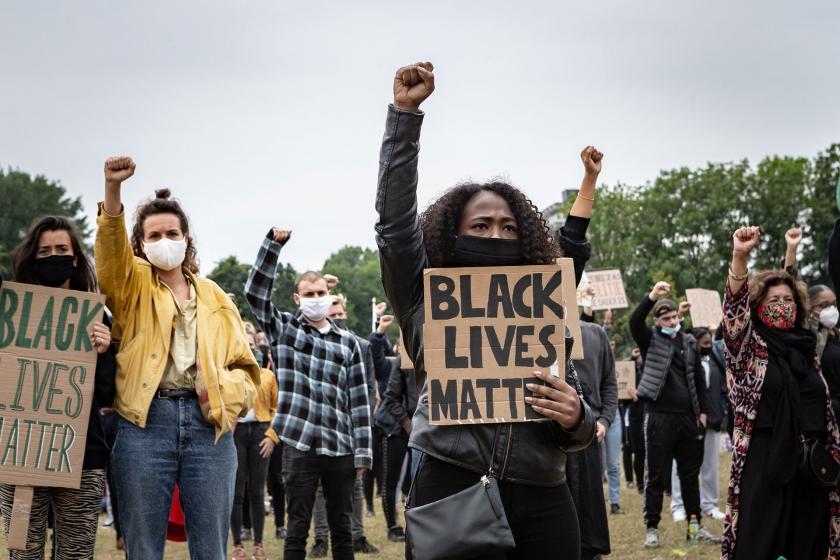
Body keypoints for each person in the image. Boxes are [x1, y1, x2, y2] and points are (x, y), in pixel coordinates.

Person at [375, 61, 598, 560]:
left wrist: (576, 417)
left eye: (508, 227)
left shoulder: (544, 301)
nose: (495, 235)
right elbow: (393, 227)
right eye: (480, 226)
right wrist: (405, 118)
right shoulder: (421, 297)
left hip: (543, 489)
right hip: (452, 486)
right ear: (452, 234)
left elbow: (578, 412)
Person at [95, 157, 260, 559]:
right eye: (153, 235)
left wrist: (227, 398)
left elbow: (246, 367)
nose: (164, 240)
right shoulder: (132, 287)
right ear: (140, 244)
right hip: (144, 423)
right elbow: (111, 260)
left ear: (187, 239)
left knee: (211, 550)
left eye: (172, 232)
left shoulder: (215, 296)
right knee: (144, 548)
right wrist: (113, 192)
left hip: (210, 428)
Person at [245, 229, 372, 560]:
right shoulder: (285, 330)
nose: (316, 297)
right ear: (297, 299)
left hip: (341, 445)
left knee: (342, 526)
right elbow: (255, 294)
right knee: (297, 528)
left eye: (321, 292)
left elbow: (359, 402)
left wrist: (363, 453)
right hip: (300, 444)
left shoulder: (349, 344)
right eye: (308, 293)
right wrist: (272, 246)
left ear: (330, 296)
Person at [0, 216, 116, 559]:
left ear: (76, 257)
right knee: (24, 554)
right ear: (32, 258)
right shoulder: (11, 315)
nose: (53, 256)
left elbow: (107, 396)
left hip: (84, 459)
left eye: (61, 249)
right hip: (22, 457)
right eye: (44, 250)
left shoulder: (98, 317)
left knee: (76, 555)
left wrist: (106, 351)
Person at [721, 226, 840, 559]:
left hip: (813, 467)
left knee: (809, 546)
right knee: (763, 547)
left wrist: (791, 253)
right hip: (766, 464)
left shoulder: (807, 348)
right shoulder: (748, 348)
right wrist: (740, 257)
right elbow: (733, 313)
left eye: (788, 300)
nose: (783, 304)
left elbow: (791, 281)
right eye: (774, 300)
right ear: (758, 305)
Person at [629, 281, 719, 547]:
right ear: (657, 321)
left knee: (690, 477)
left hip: (688, 419)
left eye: (674, 317)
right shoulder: (650, 340)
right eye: (666, 318)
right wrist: (651, 296)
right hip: (659, 417)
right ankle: (652, 529)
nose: (671, 321)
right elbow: (635, 322)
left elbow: (700, 382)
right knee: (656, 475)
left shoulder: (690, 341)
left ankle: (695, 527)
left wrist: (702, 412)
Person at [309, 294, 380, 557]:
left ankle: (357, 535)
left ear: (345, 313)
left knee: (357, 486)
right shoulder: (313, 342)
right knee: (319, 488)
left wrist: (363, 424)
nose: (337, 318)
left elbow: (369, 386)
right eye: (333, 313)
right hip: (322, 428)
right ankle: (320, 539)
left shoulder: (360, 344)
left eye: (340, 314)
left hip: (352, 428)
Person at [567, 316, 617, 559]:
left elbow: (609, 383)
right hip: (546, 441)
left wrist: (604, 420)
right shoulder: (531, 332)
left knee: (588, 507)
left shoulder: (596, 334)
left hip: (587, 437)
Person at [669, 327, 728, 521]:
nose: (708, 347)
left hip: (711, 421)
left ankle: (709, 504)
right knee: (682, 467)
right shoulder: (682, 363)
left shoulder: (715, 362)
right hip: (687, 422)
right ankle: (678, 505)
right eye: (704, 344)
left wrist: (719, 413)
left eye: (710, 344)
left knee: (710, 465)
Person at [231, 332, 280, 560]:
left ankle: (259, 544)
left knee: (258, 490)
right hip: (236, 431)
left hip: (260, 431)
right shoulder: (231, 372)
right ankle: (238, 545)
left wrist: (272, 435)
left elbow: (277, 408)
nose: (251, 348)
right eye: (246, 345)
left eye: (253, 345)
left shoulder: (268, 375)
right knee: (237, 489)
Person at [377, 315, 420, 543]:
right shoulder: (401, 361)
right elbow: (390, 398)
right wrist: (408, 424)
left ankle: (417, 525)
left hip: (425, 431)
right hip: (396, 429)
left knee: (416, 482)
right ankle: (393, 526)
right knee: (391, 480)